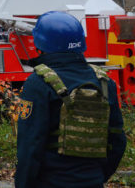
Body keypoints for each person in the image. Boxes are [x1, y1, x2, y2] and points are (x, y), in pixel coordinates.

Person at [15, 11, 126, 188]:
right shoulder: (105, 82)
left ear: (40, 44)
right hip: (92, 181)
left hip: (51, 182)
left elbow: (30, 146)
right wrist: (97, 176)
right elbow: (117, 141)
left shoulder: (38, 83)